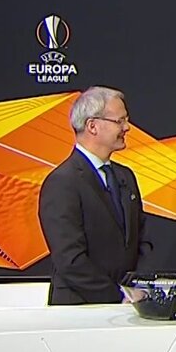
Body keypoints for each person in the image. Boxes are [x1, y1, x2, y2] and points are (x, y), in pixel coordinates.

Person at [38, 86, 152, 304]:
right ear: (92, 126)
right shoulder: (63, 182)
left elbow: (142, 239)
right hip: (80, 308)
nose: (127, 128)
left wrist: (136, 288)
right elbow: (69, 259)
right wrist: (118, 296)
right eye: (119, 121)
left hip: (129, 307)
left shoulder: (125, 177)